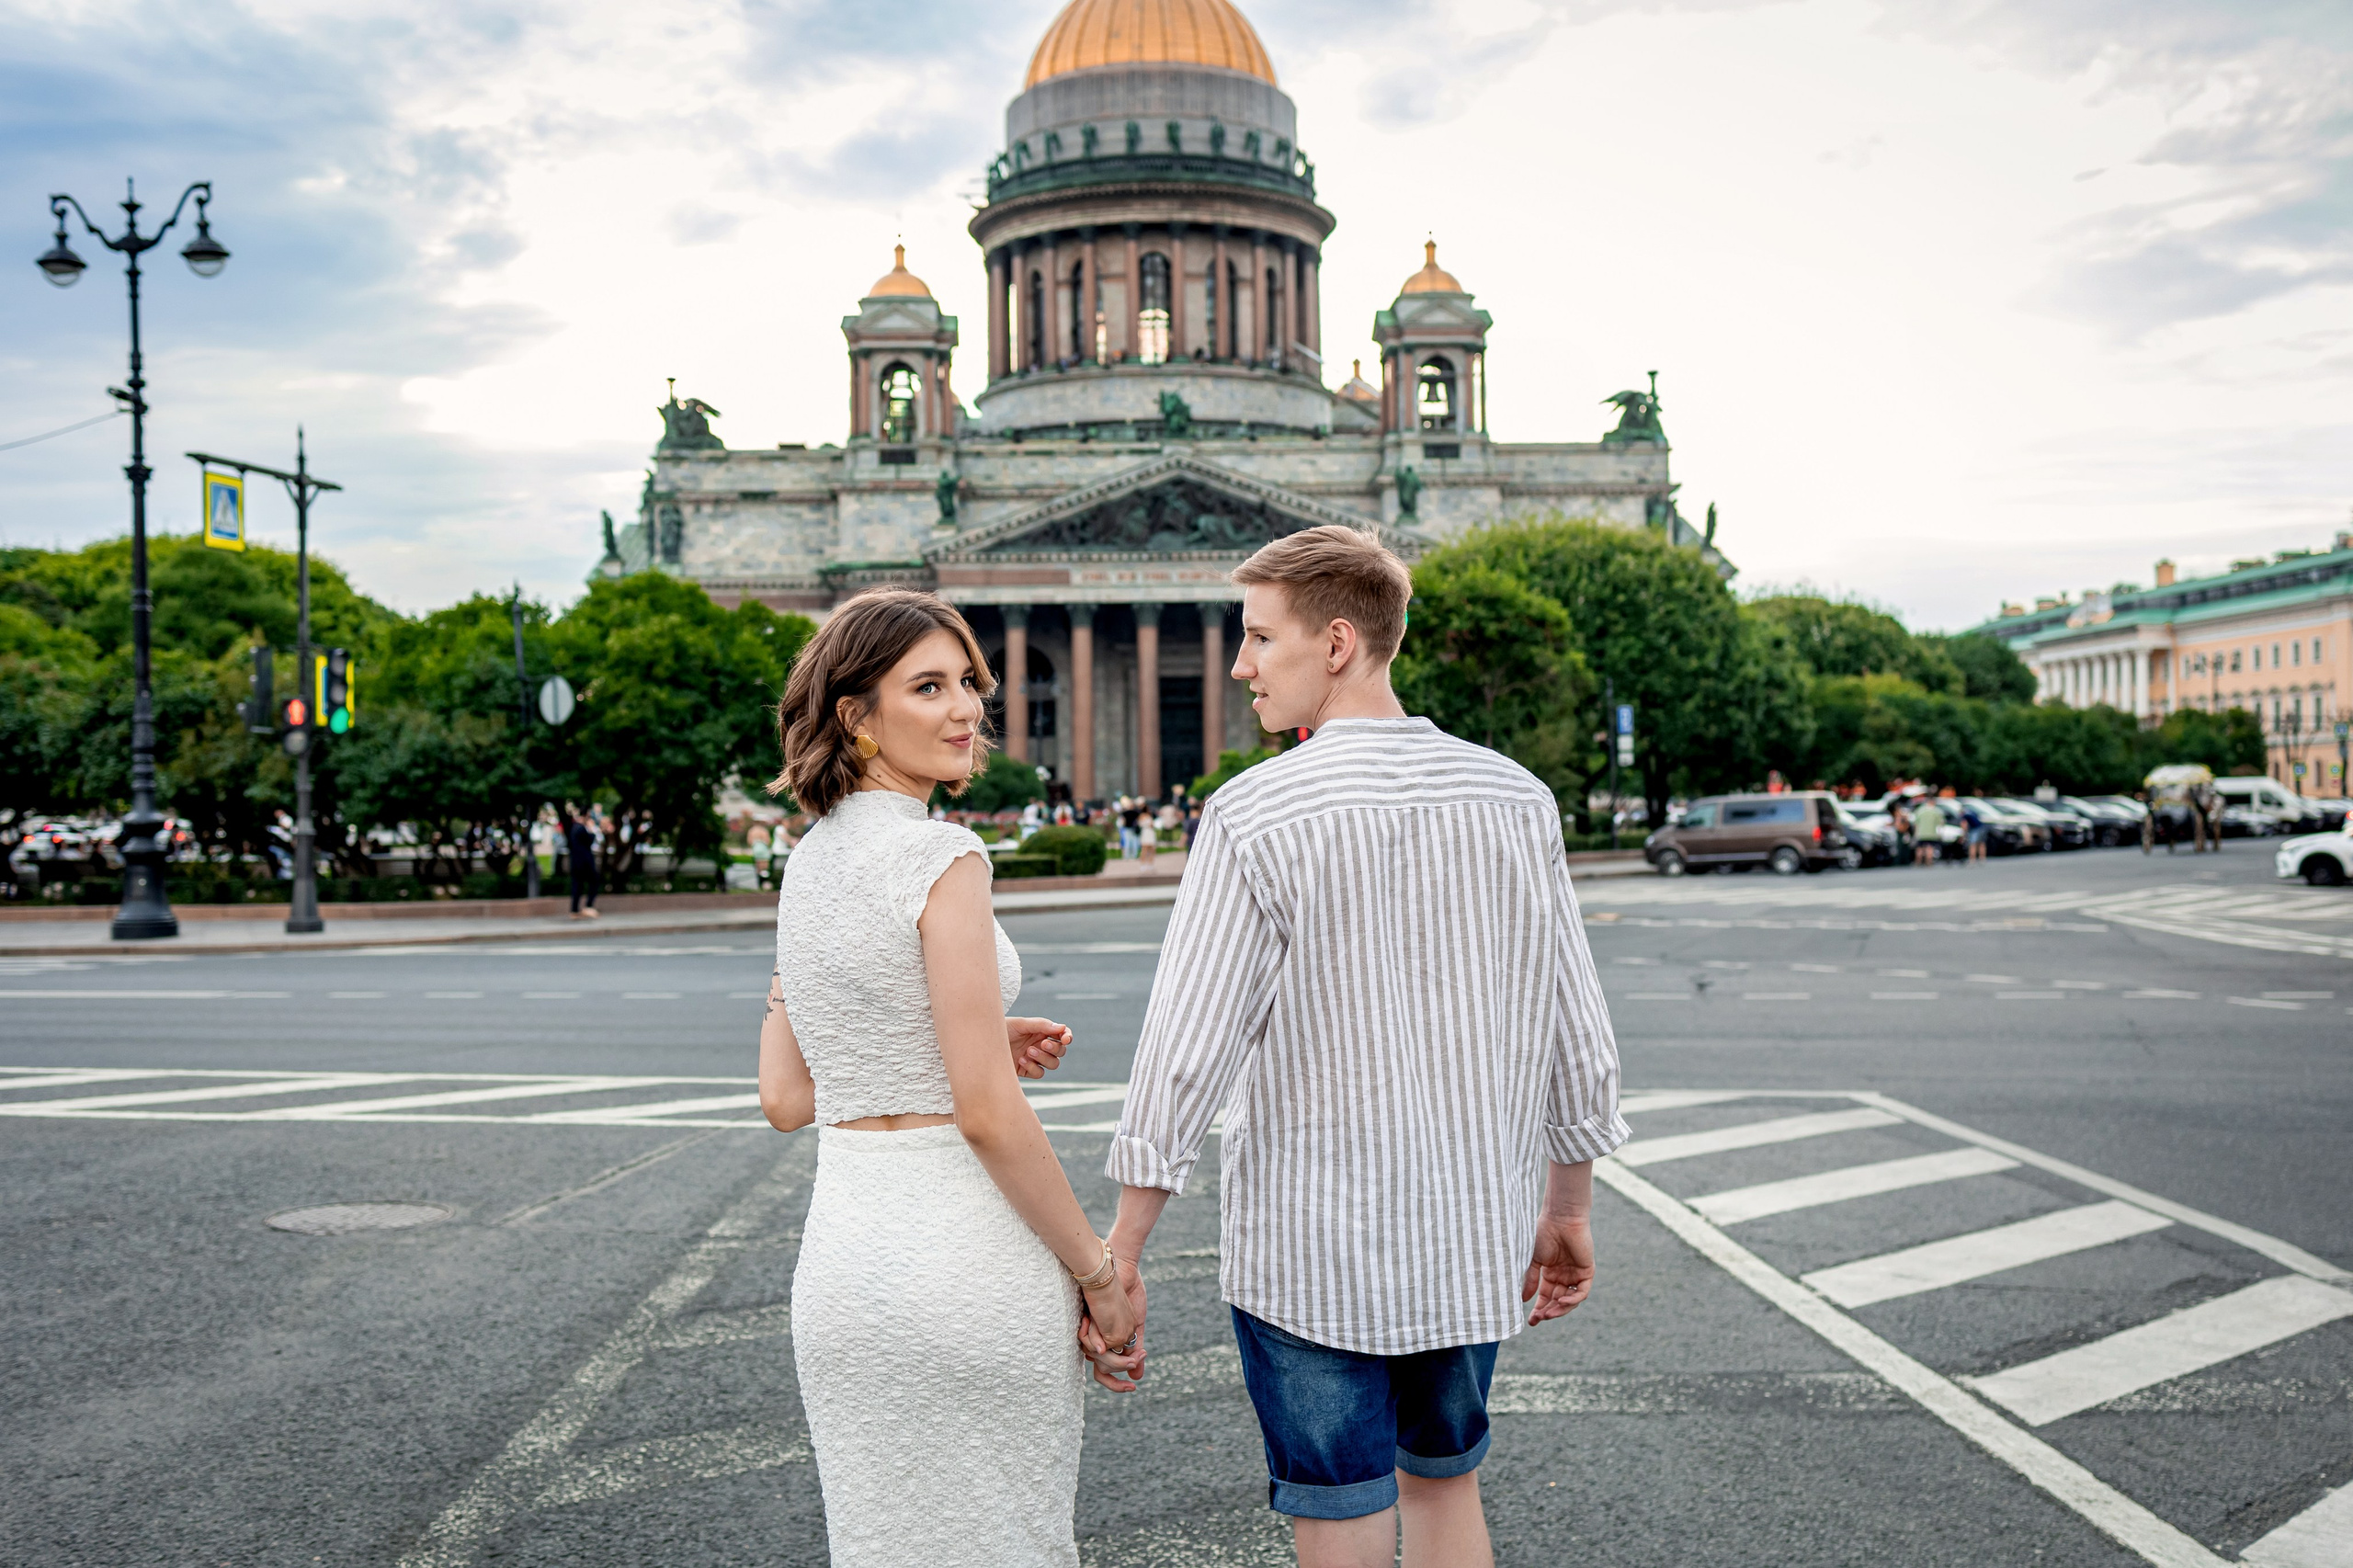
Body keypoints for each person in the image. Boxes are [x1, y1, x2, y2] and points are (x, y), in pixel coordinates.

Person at [1100, 527, 1627, 1568]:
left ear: (1335, 642)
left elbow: (1184, 1051)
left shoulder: (1255, 811)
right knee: (1445, 1493)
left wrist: (1120, 1249)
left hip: (1309, 1240)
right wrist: (1565, 1210)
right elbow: (1577, 1029)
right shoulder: (1515, 796)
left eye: (1258, 637)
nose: (1241, 664)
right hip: (1468, 1226)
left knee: (1338, 1515)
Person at [756, 586, 1142, 1568]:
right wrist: (1099, 1273)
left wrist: (927, 1029)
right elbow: (985, 1113)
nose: (968, 706)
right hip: (965, 1267)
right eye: (928, 685)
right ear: (856, 714)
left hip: (845, 1272)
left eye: (969, 679)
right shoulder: (942, 853)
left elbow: (789, 1098)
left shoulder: (810, 859)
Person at [563, 807, 600, 918]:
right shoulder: (581, 829)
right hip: (585, 863)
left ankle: (574, 910)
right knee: (594, 881)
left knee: (577, 885)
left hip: (576, 862)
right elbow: (590, 840)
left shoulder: (574, 828)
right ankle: (588, 906)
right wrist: (592, 829)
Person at [1911, 796, 1945, 867]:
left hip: (1921, 833)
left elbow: (1916, 823)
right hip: (1931, 833)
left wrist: (1915, 833)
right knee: (1930, 848)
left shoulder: (1920, 810)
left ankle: (1918, 862)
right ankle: (1929, 862)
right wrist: (1940, 833)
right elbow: (1941, 823)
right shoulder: (1936, 811)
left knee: (1919, 848)